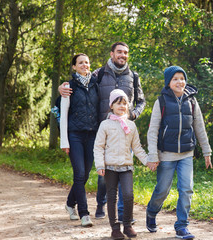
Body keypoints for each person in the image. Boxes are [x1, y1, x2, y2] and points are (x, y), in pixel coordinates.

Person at [59, 41, 146, 221]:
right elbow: (79, 88)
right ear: (112, 53)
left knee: (124, 170)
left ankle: (123, 214)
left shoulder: (133, 76)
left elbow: (141, 101)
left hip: (124, 131)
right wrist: (62, 88)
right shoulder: (98, 74)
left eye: (126, 53)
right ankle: (99, 205)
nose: (123, 55)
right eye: (119, 52)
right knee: (101, 173)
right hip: (102, 130)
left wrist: (133, 116)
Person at [145, 66, 213, 239]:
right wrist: (153, 156)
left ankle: (182, 226)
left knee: (187, 189)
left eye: (182, 78)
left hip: (186, 154)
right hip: (166, 154)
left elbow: (199, 127)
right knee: (162, 190)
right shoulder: (161, 102)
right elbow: (153, 130)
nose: (179, 82)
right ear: (168, 82)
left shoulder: (191, 101)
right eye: (175, 79)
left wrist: (207, 152)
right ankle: (152, 212)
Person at [94, 89, 155, 239]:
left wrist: (148, 161)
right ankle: (115, 228)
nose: (122, 106)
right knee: (111, 197)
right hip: (110, 167)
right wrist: (100, 165)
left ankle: (127, 225)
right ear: (112, 105)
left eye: (125, 103)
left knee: (128, 195)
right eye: (118, 103)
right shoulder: (105, 125)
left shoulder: (131, 126)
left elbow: (137, 147)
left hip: (126, 166)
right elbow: (98, 146)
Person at [60, 53, 99, 227]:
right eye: (80, 63)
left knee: (85, 174)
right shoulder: (69, 86)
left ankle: (70, 203)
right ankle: (84, 214)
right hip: (74, 135)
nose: (84, 65)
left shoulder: (95, 84)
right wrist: (64, 142)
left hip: (92, 135)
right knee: (79, 174)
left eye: (87, 62)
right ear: (74, 66)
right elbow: (63, 115)